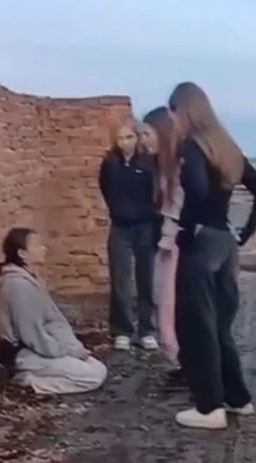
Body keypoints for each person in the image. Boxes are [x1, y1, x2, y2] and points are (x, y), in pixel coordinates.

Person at [168, 82, 256, 429]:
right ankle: (237, 398)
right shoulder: (226, 146)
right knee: (220, 326)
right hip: (225, 242)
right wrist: (244, 233)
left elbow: (196, 192)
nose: (173, 122)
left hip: (202, 243)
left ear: (184, 111)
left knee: (197, 325)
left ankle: (209, 407)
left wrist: (188, 226)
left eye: (174, 114)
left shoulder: (192, 147)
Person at [0, 228, 107, 394]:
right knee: (93, 376)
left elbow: (53, 322)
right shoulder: (18, 286)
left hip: (49, 348)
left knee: (98, 368)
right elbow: (34, 336)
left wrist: (72, 346)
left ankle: (41, 375)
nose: (44, 248)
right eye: (37, 245)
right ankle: (30, 382)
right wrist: (68, 351)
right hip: (26, 354)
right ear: (22, 254)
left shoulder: (32, 280)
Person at [99, 120, 159, 351]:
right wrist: (117, 209)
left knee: (146, 279)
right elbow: (105, 189)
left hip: (145, 226)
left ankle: (147, 329)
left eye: (129, 137)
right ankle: (121, 330)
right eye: (120, 138)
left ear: (136, 138)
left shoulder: (148, 163)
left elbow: (155, 192)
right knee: (120, 280)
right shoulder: (110, 163)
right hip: (120, 227)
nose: (124, 142)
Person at [139, 107, 183, 367]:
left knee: (171, 299)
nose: (143, 140)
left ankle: (184, 358)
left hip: (178, 240)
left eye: (147, 133)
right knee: (165, 298)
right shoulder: (161, 166)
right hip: (169, 239)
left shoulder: (179, 166)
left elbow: (180, 207)